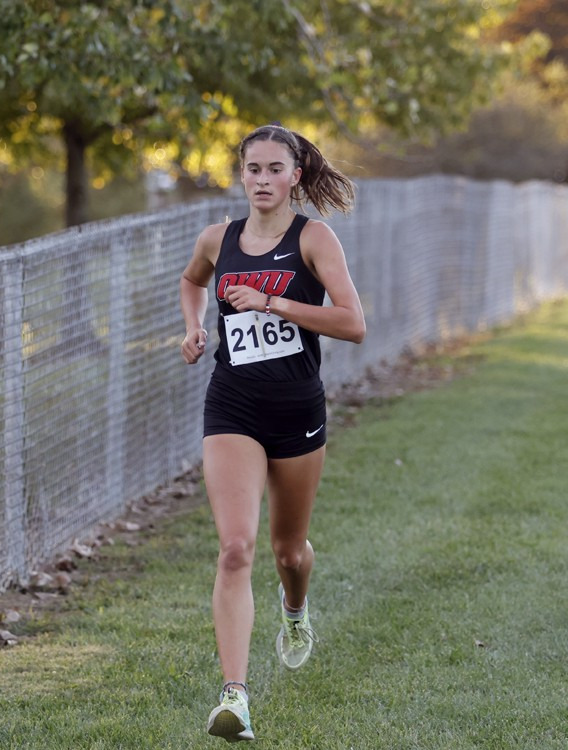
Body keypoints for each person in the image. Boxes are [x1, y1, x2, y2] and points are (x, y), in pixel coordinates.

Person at [179, 124, 366, 742]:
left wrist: (274, 303)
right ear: (242, 175)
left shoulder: (314, 238)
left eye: (273, 169)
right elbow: (192, 280)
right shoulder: (218, 238)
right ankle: (235, 695)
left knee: (289, 551)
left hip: (296, 411)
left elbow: (353, 323)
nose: (261, 180)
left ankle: (295, 611)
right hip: (232, 405)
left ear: (296, 177)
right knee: (236, 547)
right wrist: (194, 326)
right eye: (252, 169)